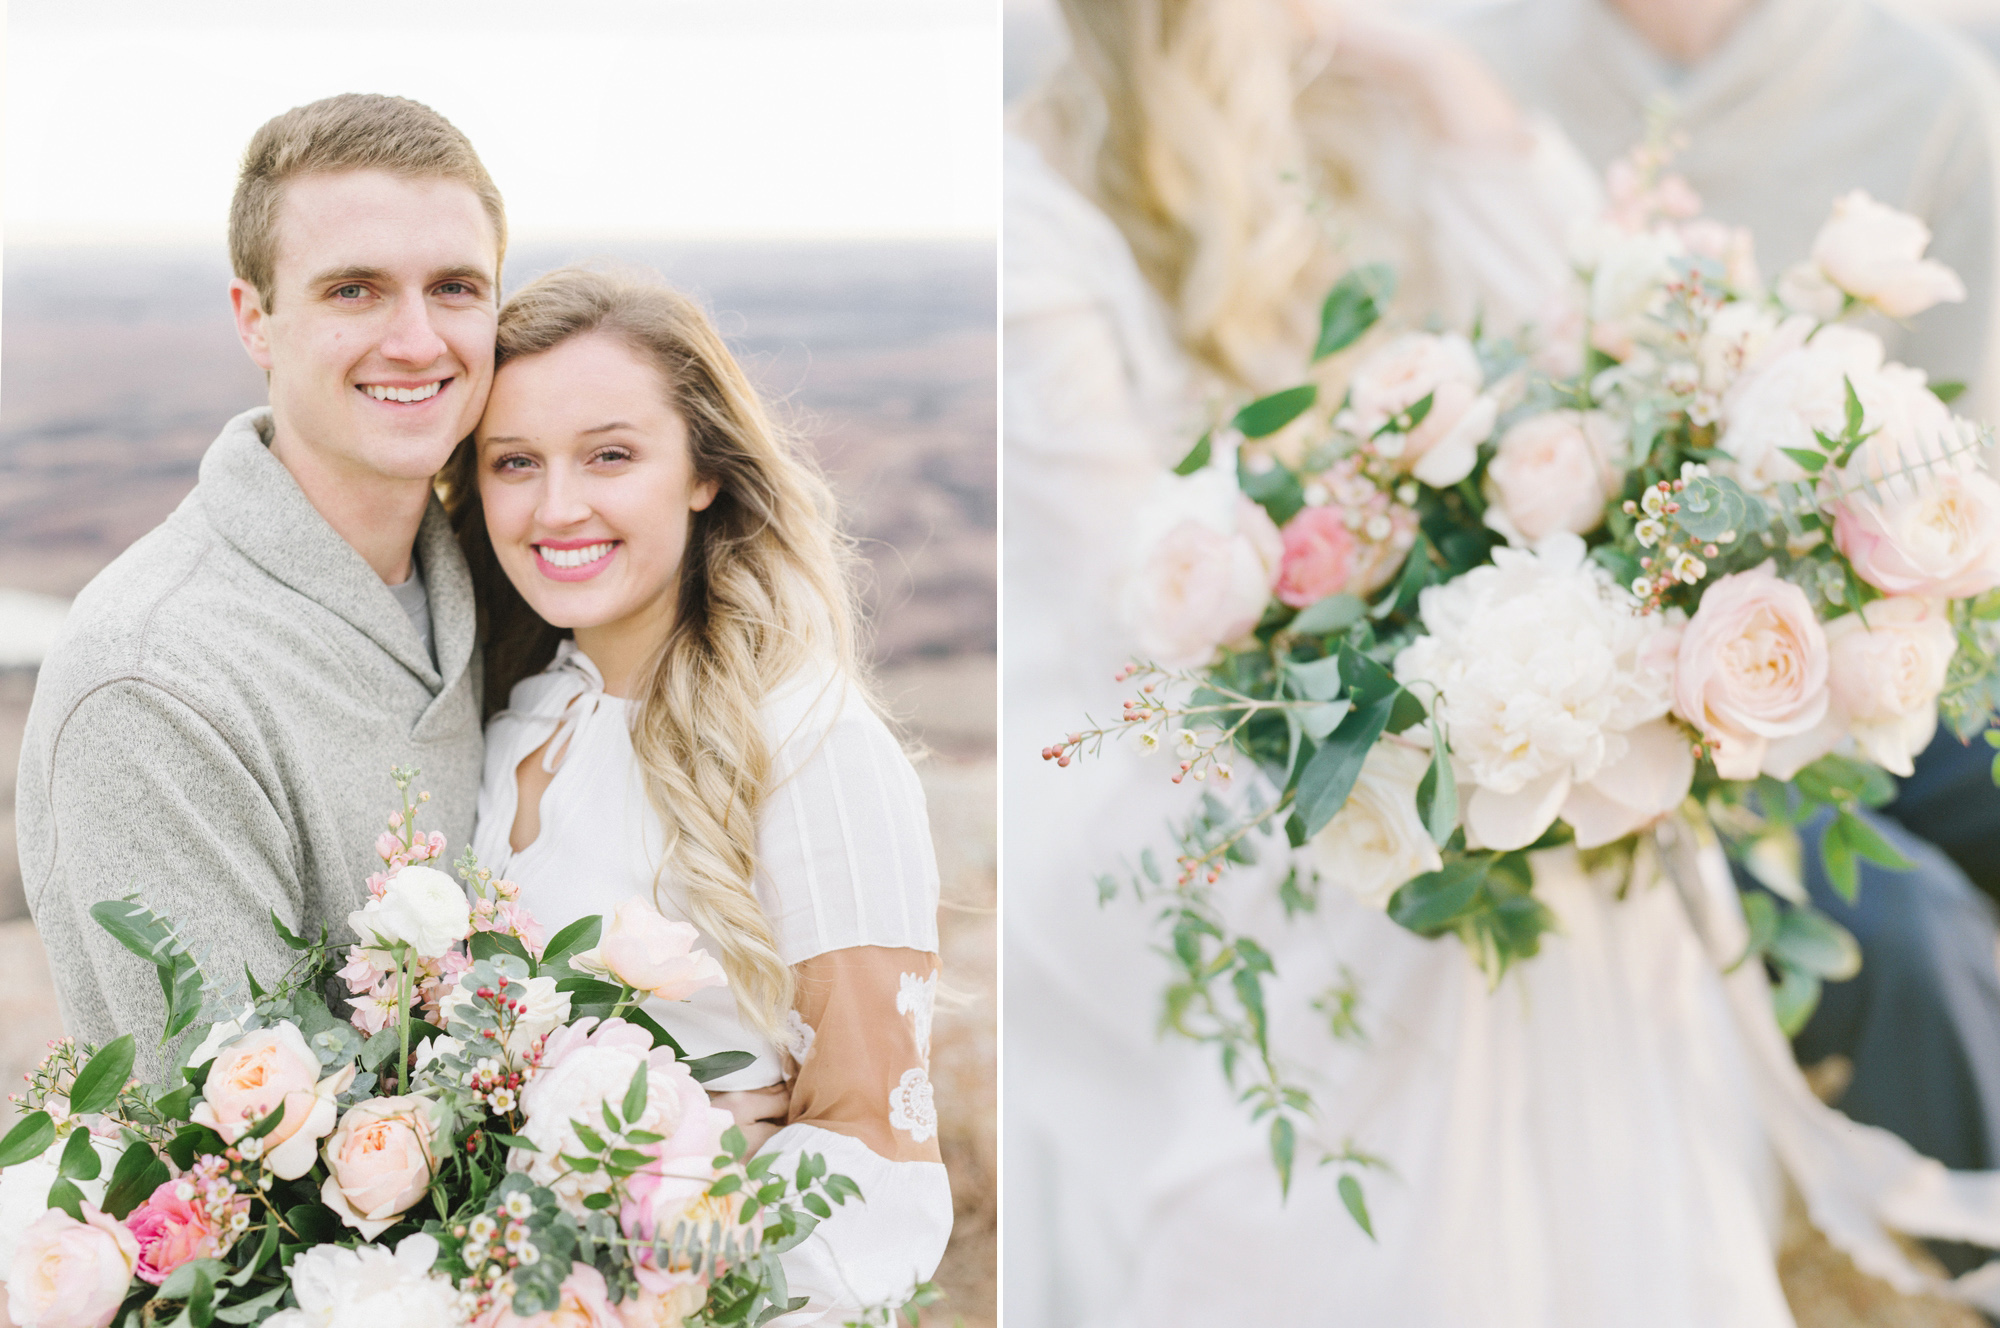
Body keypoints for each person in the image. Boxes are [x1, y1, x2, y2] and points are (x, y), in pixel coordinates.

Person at [1007, 1, 2000, 1323]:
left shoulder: (1362, 108)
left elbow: (1598, 336)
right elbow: (1134, 595)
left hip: (1373, 662)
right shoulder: (1037, 217)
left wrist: (1441, 76)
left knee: (1562, 797)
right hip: (1167, 735)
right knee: (1447, 859)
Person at [1458, 0, 2000, 1263]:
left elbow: (1972, 455)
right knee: (1902, 939)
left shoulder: (1932, 92)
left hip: (1897, 643)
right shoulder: (1484, 66)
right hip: (1667, 710)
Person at [442, 267, 951, 1325]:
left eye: (611, 454)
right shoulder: (516, 721)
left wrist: (671, 1228)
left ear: (703, 473)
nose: (557, 505)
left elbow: (872, 1147)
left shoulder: (811, 743)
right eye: (515, 462)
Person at [15, 93, 498, 1080]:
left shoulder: (514, 590)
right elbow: (239, 1165)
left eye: (454, 287)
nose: (415, 339)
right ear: (256, 319)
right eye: (353, 291)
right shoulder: (151, 681)